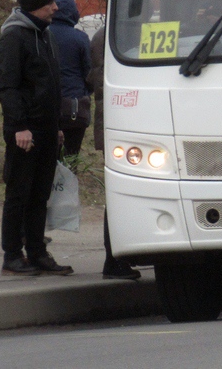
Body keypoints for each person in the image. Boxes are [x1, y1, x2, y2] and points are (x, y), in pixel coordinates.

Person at [0, 0, 74, 276]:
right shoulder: (15, 37)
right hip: (24, 132)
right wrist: (19, 126)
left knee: (40, 195)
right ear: (33, 7)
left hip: (45, 130)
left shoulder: (45, 35)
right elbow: (8, 87)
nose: (55, 7)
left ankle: (37, 251)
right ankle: (12, 255)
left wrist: (56, 126)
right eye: (48, 4)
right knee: (19, 193)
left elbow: (51, 85)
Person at [88, 21, 141, 281]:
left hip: (112, 122)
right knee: (119, 194)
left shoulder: (104, 35)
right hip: (120, 123)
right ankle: (115, 259)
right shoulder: (116, 37)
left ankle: (118, 257)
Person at [48, 0, 91, 156]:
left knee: (49, 156)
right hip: (74, 106)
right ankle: (69, 178)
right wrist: (85, 92)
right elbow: (89, 71)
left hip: (46, 105)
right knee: (71, 153)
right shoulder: (80, 38)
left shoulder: (42, 34)